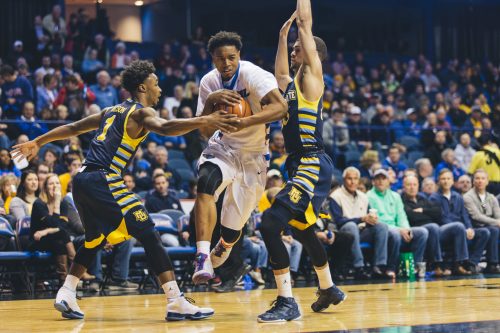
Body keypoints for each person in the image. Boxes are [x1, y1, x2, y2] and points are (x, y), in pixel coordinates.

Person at [12, 60, 240, 321]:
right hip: (103, 178)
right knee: (149, 234)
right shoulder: (142, 113)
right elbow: (166, 128)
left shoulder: (110, 111)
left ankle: (66, 292)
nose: (160, 90)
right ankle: (175, 300)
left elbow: (74, 128)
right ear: (143, 86)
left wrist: (38, 141)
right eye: (155, 84)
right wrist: (207, 119)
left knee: (95, 239)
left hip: (82, 180)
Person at [257, 2, 346, 322]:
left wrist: (299, 21)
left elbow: (305, 25)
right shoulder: (292, 85)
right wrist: (282, 37)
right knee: (305, 230)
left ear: (312, 55)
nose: (295, 50)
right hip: (298, 163)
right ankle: (329, 288)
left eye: (298, 48)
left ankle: (286, 301)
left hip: (311, 161)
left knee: (269, 224)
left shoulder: (312, 78)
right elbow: (279, 74)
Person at [191, 31, 287, 286]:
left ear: (239, 56)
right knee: (205, 183)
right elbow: (203, 130)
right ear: (212, 58)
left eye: (231, 58)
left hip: (254, 156)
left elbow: (280, 107)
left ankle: (226, 243)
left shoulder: (253, 75)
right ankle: (201, 255)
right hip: (224, 148)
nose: (226, 64)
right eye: (220, 59)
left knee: (233, 229)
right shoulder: (209, 83)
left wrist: (245, 121)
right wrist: (211, 101)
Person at [329, 167, 390, 279]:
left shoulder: (363, 196)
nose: (352, 182)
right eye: (349, 179)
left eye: (355, 179)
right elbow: (338, 221)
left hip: (362, 231)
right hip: (344, 233)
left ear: (359, 180)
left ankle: (379, 266)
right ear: (344, 179)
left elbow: (368, 217)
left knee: (382, 226)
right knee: (351, 226)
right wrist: (361, 219)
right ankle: (359, 266)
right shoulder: (335, 196)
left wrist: (371, 219)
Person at [367, 169, 429, 278]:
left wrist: (406, 229)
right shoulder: (368, 196)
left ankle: (414, 266)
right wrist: (399, 230)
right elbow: (376, 221)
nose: (381, 181)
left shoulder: (395, 196)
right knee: (394, 233)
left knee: (422, 232)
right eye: (378, 179)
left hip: (398, 228)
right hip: (382, 229)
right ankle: (391, 267)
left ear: (388, 181)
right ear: (373, 181)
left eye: (383, 178)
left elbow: (401, 216)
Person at [430, 169, 489, 274]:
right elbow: (441, 218)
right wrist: (462, 227)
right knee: (458, 227)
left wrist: (469, 228)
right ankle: (459, 264)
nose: (446, 181)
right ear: (438, 181)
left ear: (453, 181)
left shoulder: (457, 196)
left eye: (448, 178)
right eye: (443, 179)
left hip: (460, 228)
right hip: (442, 230)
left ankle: (471, 263)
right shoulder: (434, 198)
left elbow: (464, 215)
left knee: (484, 232)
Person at [401, 175, 452, 276]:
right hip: (413, 228)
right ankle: (437, 264)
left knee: (438, 227)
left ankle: (447, 264)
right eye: (409, 185)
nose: (412, 187)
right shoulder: (401, 200)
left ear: (418, 186)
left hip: (430, 227)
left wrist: (423, 210)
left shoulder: (422, 198)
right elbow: (411, 216)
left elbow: (438, 212)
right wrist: (428, 215)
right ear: (404, 187)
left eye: (414, 184)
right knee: (433, 227)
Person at [463, 169, 500, 273]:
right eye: (477, 178)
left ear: (487, 181)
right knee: (491, 230)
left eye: (483, 178)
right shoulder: (467, 197)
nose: (480, 181)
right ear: (473, 181)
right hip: (474, 226)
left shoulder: (491, 197)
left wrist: (498, 221)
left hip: (488, 226)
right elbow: (476, 216)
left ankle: (492, 264)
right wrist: (497, 222)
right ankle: (472, 263)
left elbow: (498, 215)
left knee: (494, 230)